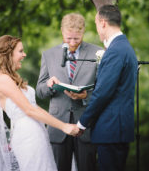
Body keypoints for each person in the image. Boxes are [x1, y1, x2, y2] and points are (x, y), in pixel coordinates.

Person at [0, 35, 79, 171]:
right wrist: (64, 126)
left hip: (36, 133)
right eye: (21, 51)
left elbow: (33, 107)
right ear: (8, 54)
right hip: (28, 137)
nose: (24, 54)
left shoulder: (10, 78)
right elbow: (29, 110)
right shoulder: (2, 80)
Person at [36, 13, 102, 171]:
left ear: (83, 32)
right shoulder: (49, 55)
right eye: (68, 38)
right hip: (58, 125)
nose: (72, 43)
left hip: (86, 125)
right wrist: (50, 86)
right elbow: (39, 91)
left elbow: (103, 90)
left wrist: (86, 96)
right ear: (61, 32)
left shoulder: (98, 53)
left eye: (76, 39)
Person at [77, 5, 138, 171]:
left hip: (111, 129)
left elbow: (103, 93)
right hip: (117, 129)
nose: (97, 29)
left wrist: (82, 123)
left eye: (96, 23)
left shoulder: (116, 51)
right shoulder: (124, 47)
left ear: (103, 23)